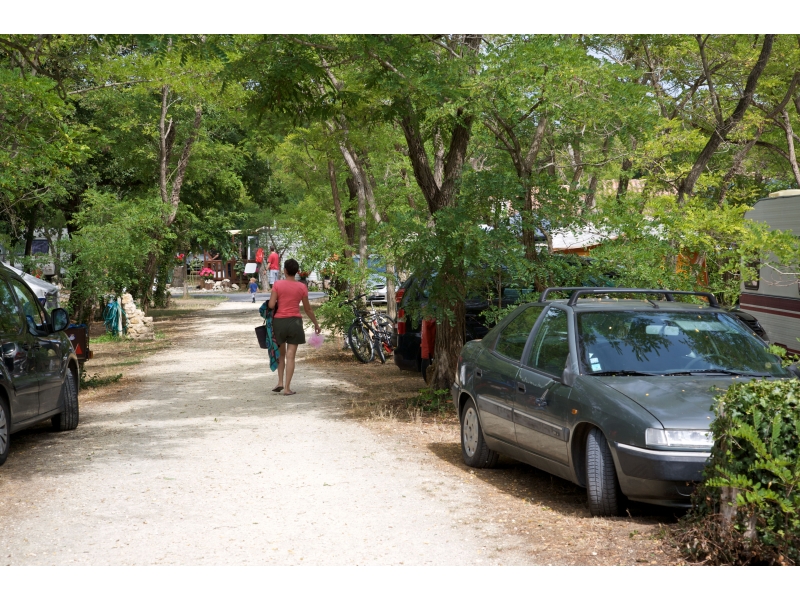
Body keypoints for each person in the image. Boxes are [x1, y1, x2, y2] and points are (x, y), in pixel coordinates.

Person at [268, 258, 321, 396]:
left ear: (284, 270)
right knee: (291, 356)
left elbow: (271, 305)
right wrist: (316, 323)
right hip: (295, 323)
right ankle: (287, 388)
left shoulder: (277, 284)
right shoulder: (302, 287)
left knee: (281, 354)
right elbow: (308, 309)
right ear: (297, 272)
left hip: (279, 322)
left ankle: (279, 382)